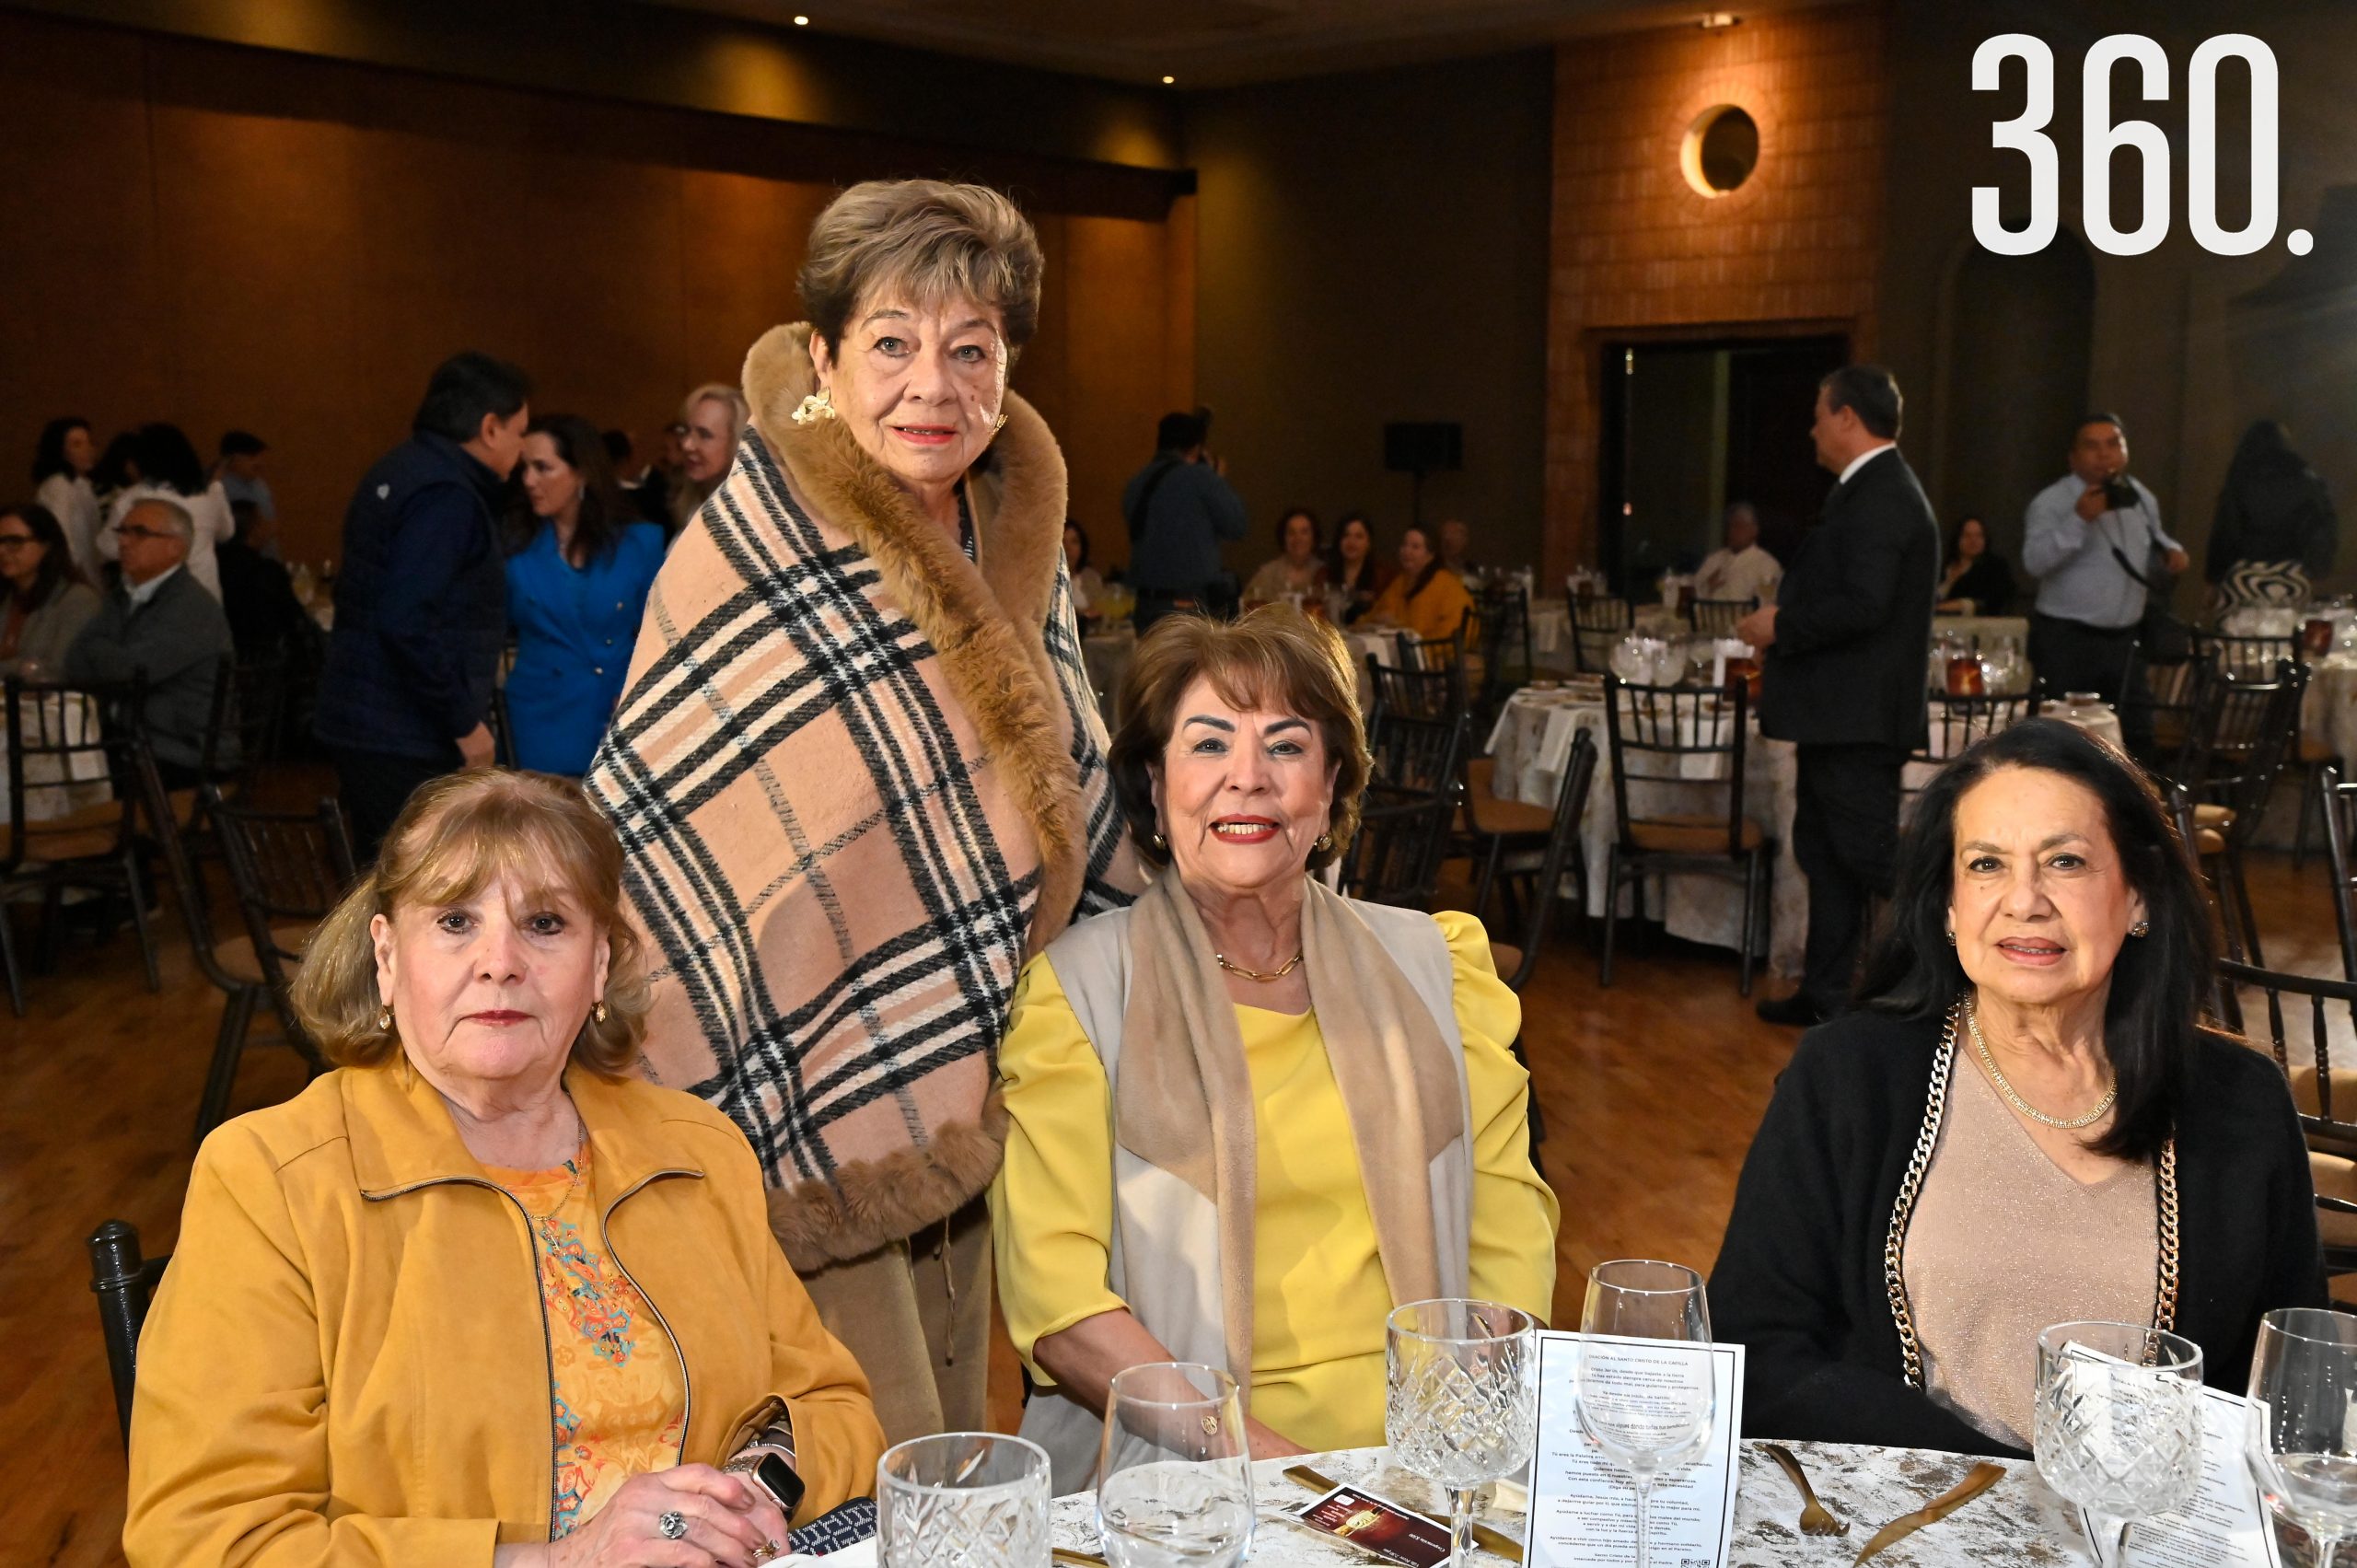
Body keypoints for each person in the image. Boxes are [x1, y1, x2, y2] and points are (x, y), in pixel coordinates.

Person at [586, 179, 1139, 1443]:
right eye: (891, 343)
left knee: (954, 1414)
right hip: (785, 1066)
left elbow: (1068, 779)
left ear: (1008, 368)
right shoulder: (753, 545)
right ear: (827, 358)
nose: (930, 386)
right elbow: (675, 827)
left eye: (970, 348)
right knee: (853, 1445)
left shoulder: (1015, 534)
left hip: (974, 1046)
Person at [122, 769, 887, 1565]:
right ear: (387, 957)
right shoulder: (271, 1181)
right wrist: (562, 1560)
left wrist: (747, 1492)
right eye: (455, 920)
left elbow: (832, 1407)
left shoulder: (698, 1153)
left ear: (599, 964)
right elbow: (206, 1537)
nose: (500, 961)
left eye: (545, 922)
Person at [993, 609, 1557, 1488]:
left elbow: (1508, 1225)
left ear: (1331, 784)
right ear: (1155, 780)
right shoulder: (1082, 997)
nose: (1246, 779)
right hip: (1192, 1473)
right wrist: (1286, 1478)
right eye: (1209, 744)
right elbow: (1059, 1305)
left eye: (1286, 746)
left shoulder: (1436, 968)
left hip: (1425, 1454)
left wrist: (1447, 1444)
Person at [1712, 720, 2323, 1457]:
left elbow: (2297, 1390)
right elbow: (1758, 1349)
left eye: (2065, 861)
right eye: (1986, 864)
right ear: (1947, 904)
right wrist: (2011, 1489)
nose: (2024, 900)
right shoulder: (1850, 1075)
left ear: (2139, 897)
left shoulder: (2240, 1101)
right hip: (1905, 1526)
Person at [1741, 366, 1938, 1028]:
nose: (1812, 428)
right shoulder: (1865, 491)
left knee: (1867, 856)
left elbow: (1864, 603)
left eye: (1820, 414)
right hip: (1837, 714)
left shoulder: (1882, 494)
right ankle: (1827, 997)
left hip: (1857, 717)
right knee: (1826, 857)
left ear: (1848, 417)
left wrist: (1781, 625)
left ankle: (1942, 992)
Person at [314, 351, 530, 859]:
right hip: (403, 731)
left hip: (371, 720)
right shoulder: (446, 495)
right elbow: (406, 621)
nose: (520, 450)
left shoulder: (402, 468)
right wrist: (464, 723)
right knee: (411, 888)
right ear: (491, 428)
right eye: (521, 433)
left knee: (388, 882)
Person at [506, 415, 667, 776]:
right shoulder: (514, 549)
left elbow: (659, 631)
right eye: (525, 468)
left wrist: (636, 692)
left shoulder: (640, 543)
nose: (528, 480)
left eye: (542, 468)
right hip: (539, 715)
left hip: (615, 712)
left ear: (581, 473)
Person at [2023, 414, 2188, 750]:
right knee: (2065, 743)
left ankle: (2135, 803)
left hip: (2126, 641)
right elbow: (2034, 562)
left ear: (2124, 452)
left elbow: (2156, 536)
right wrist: (2079, 520)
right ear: (2073, 458)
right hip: (2068, 642)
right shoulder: (2051, 502)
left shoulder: (2140, 496)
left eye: (2113, 444)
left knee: (2138, 738)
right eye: (2092, 446)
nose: (2104, 454)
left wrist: (2173, 551)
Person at [65, 497, 234, 789]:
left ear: (176, 547)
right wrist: (107, 652)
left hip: (181, 754)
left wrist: (101, 648)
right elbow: (74, 662)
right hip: (131, 742)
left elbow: (129, 673)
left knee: (54, 773)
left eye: (139, 533)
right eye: (123, 532)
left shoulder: (190, 607)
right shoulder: (126, 594)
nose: (125, 543)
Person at [1121, 411, 1248, 631]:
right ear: (1196, 448)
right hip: (1189, 605)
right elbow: (1237, 525)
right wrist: (1215, 479)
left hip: (1144, 606)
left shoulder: (1136, 484)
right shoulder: (1201, 477)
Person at [2206, 419, 2337, 617]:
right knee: (2287, 642)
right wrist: (2317, 569)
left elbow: (2225, 534)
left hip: (2242, 578)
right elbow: (2322, 534)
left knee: (2237, 642)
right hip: (2292, 579)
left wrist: (2213, 579)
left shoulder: (2240, 480)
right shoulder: (2309, 483)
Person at [99, 424, 237, 600]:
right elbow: (227, 533)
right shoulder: (207, 494)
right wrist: (216, 485)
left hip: (155, 599)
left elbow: (106, 547)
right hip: (205, 596)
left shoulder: (133, 498)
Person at [0, 502, 99, 677]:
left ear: (47, 545)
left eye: (15, 541)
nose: (2, 551)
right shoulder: (7, 596)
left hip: (50, 701)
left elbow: (58, 668)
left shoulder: (77, 599)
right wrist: (22, 667)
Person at [216, 499, 315, 660]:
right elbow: (293, 619)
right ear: (254, 530)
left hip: (227, 658)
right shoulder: (266, 571)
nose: (269, 524)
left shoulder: (217, 565)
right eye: (262, 520)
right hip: (267, 662)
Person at [1365, 522, 1476, 646]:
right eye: (1404, 545)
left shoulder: (1448, 586)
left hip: (1434, 653)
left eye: (1415, 547)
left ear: (1431, 555)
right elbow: (1377, 613)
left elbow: (1456, 631)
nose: (1407, 551)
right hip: (1401, 647)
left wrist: (1400, 627)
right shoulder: (1400, 582)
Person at [668, 383, 749, 537]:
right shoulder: (692, 504)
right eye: (685, 431)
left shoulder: (743, 521)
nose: (687, 445)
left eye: (704, 435)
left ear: (736, 442)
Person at [30, 415, 103, 579]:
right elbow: (62, 539)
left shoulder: (82, 485)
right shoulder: (58, 486)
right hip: (74, 578)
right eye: (77, 444)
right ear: (60, 451)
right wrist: (79, 577)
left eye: (89, 442)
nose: (88, 449)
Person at [1693, 502, 1782, 605]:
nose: (1732, 531)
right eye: (1730, 526)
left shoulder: (1767, 565)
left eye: (1738, 526)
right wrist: (1708, 587)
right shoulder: (1714, 559)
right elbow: (1693, 593)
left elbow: (1767, 605)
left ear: (1754, 530)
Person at [1243, 506, 1328, 607]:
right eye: (1291, 533)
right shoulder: (1267, 574)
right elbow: (1247, 607)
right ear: (1284, 538)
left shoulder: (1325, 573)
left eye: (1304, 532)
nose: (1298, 538)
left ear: (1314, 538)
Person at [1935, 514, 2015, 615]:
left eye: (1979, 535)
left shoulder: (1995, 566)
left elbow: (1994, 601)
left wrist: (1951, 606)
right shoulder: (1945, 566)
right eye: (1967, 535)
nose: (1973, 540)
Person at [213, 429, 278, 551]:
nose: (259, 463)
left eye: (259, 457)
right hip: (238, 561)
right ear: (232, 459)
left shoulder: (260, 485)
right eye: (252, 457)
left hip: (267, 558)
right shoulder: (218, 489)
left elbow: (270, 522)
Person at [1327, 512, 1393, 626]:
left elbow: (1388, 615)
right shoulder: (1324, 574)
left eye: (1358, 536)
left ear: (1368, 543)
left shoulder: (1382, 575)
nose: (1351, 542)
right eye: (1346, 535)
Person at [1063, 518, 1105, 622]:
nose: (1068, 548)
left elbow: (1101, 611)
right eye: (1063, 542)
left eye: (1074, 542)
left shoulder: (1091, 577)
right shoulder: (1043, 581)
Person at [1437, 516, 1480, 583]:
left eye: (1457, 534)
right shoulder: (1433, 567)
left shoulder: (1471, 568)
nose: (1449, 538)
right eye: (1446, 533)